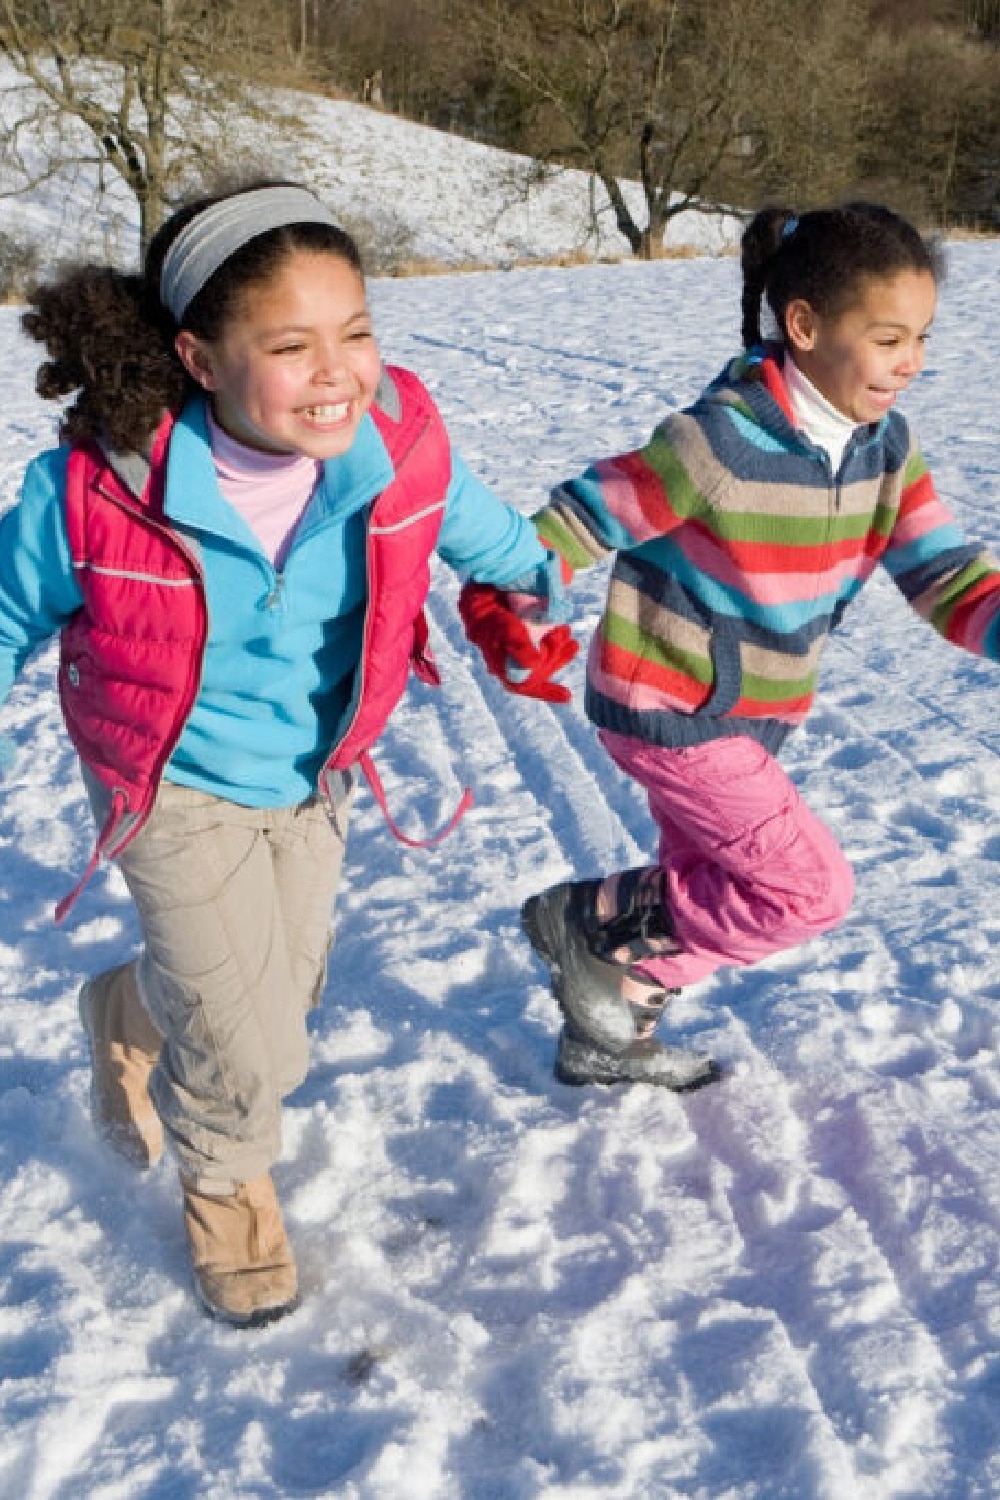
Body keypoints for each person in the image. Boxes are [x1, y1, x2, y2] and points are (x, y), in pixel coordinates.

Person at [0, 181, 576, 1326]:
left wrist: (535, 581)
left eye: (355, 333)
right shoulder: (98, 492)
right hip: (169, 781)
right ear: (201, 359)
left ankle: (127, 1009)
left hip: (316, 772)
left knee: (283, 996)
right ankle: (225, 1188)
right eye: (292, 345)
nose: (337, 371)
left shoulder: (397, 444)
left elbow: (470, 520)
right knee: (243, 1040)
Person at [511, 201, 1000, 1092]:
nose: (912, 362)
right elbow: (599, 505)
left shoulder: (886, 449)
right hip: (667, 703)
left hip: (754, 713)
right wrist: (517, 576)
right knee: (805, 891)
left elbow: (947, 575)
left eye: (921, 337)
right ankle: (587, 923)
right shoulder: (723, 439)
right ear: (806, 325)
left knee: (708, 877)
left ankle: (608, 1029)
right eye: (889, 338)